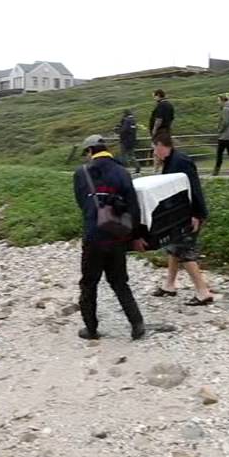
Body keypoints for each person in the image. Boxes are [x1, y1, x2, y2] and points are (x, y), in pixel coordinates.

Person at [72, 135, 145, 340]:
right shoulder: (122, 171)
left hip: (94, 236)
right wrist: (136, 236)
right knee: (120, 282)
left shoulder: (81, 173)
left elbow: (82, 204)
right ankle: (136, 323)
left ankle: (91, 328)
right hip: (118, 236)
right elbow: (133, 207)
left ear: (89, 151)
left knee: (89, 283)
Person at [150, 133, 215, 306]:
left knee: (184, 250)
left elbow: (194, 188)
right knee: (173, 248)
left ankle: (203, 292)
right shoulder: (170, 162)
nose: (154, 152)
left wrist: (197, 214)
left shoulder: (181, 161)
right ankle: (169, 285)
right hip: (178, 214)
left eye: (154, 148)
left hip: (190, 214)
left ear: (160, 145)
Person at [115, 109, 139, 173]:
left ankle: (123, 169)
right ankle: (137, 167)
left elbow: (124, 130)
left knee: (123, 155)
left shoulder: (127, 121)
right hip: (132, 140)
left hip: (125, 141)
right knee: (131, 155)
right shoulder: (133, 121)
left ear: (125, 114)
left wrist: (118, 131)